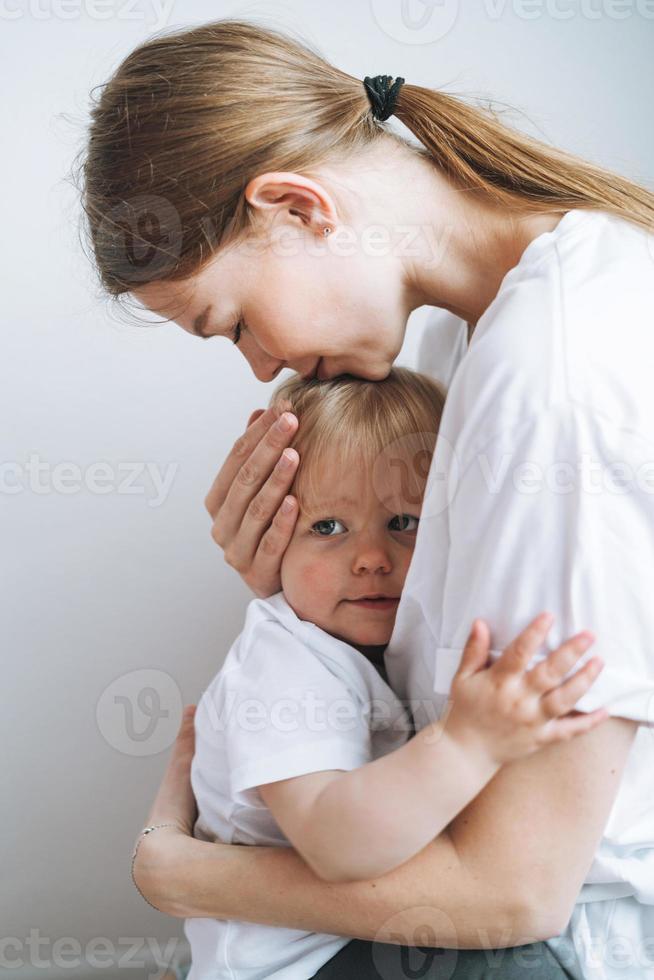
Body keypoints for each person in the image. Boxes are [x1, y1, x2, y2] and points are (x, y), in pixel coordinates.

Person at [77, 18, 654, 979]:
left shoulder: (553, 376)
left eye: (232, 324)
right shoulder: (452, 345)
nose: (261, 364)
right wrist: (299, 589)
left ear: (296, 208)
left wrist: (184, 877)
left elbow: (519, 890)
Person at [184, 367, 607, 979]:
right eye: (328, 527)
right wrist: (469, 742)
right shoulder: (284, 665)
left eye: (404, 523)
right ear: (273, 539)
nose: (373, 559)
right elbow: (336, 843)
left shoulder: (383, 651)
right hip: (298, 964)